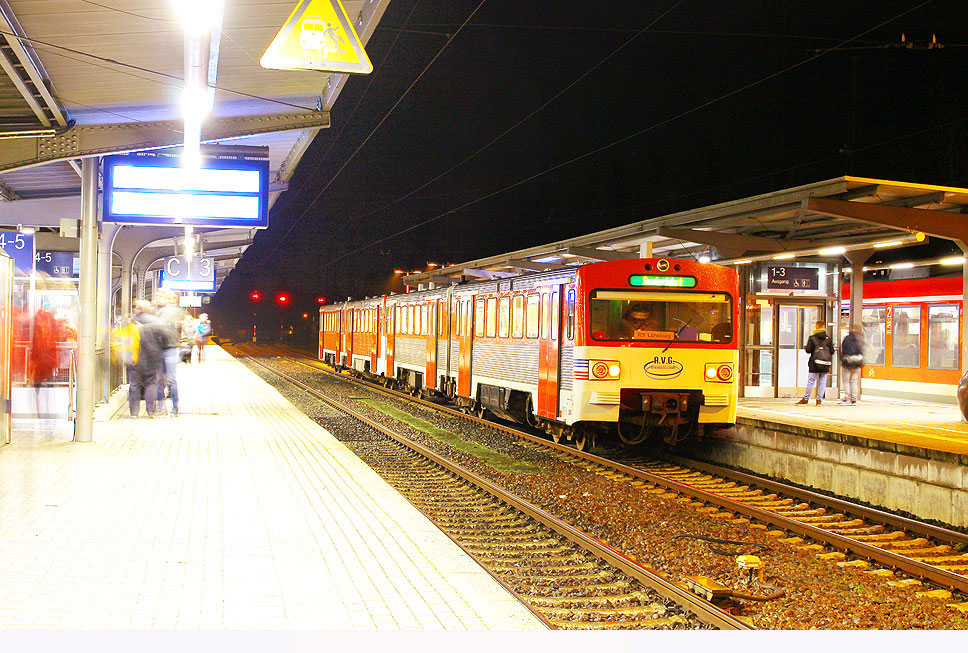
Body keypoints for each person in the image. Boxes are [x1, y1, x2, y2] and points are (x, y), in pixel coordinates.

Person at [128, 300, 166, 418]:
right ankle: (151, 412)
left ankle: (134, 413)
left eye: (136, 308)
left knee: (134, 385)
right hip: (152, 357)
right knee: (151, 384)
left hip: (135, 357)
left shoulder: (132, 322)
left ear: (139, 309)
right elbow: (164, 338)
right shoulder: (157, 322)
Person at [153, 292, 186, 416]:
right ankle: (161, 407)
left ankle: (175, 407)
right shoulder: (156, 313)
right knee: (159, 379)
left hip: (171, 348)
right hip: (158, 349)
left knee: (171, 379)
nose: (157, 299)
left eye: (160, 297)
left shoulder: (176, 312)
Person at [796, 320, 835, 406]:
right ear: (824, 327)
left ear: (816, 327)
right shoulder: (828, 339)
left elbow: (808, 350)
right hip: (825, 363)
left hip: (814, 363)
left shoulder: (812, 338)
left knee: (811, 381)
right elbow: (832, 351)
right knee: (822, 381)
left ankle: (806, 399)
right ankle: (819, 401)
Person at [840, 326, 865, 405]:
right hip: (857, 362)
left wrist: (842, 360)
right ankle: (854, 399)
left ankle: (847, 398)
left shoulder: (847, 339)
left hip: (848, 362)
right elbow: (861, 351)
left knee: (846, 381)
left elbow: (843, 350)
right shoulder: (860, 339)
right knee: (854, 381)